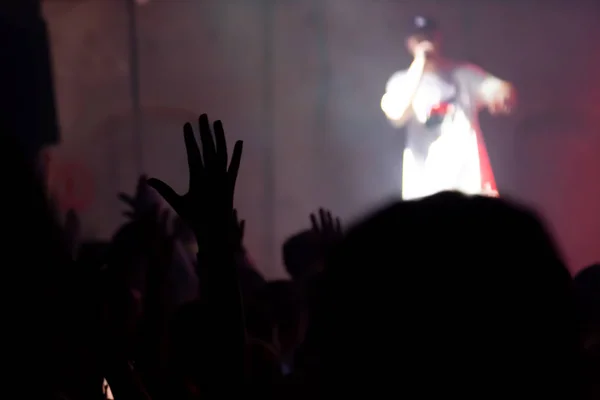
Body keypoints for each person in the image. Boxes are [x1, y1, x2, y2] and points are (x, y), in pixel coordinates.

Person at [381, 16, 516, 200]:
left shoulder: (464, 74)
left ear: (439, 38)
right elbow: (396, 114)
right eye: (420, 39)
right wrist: (420, 63)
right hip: (425, 192)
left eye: (429, 36)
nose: (426, 43)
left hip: (469, 187)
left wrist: (504, 95)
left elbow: (499, 89)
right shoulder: (400, 82)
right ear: (409, 43)